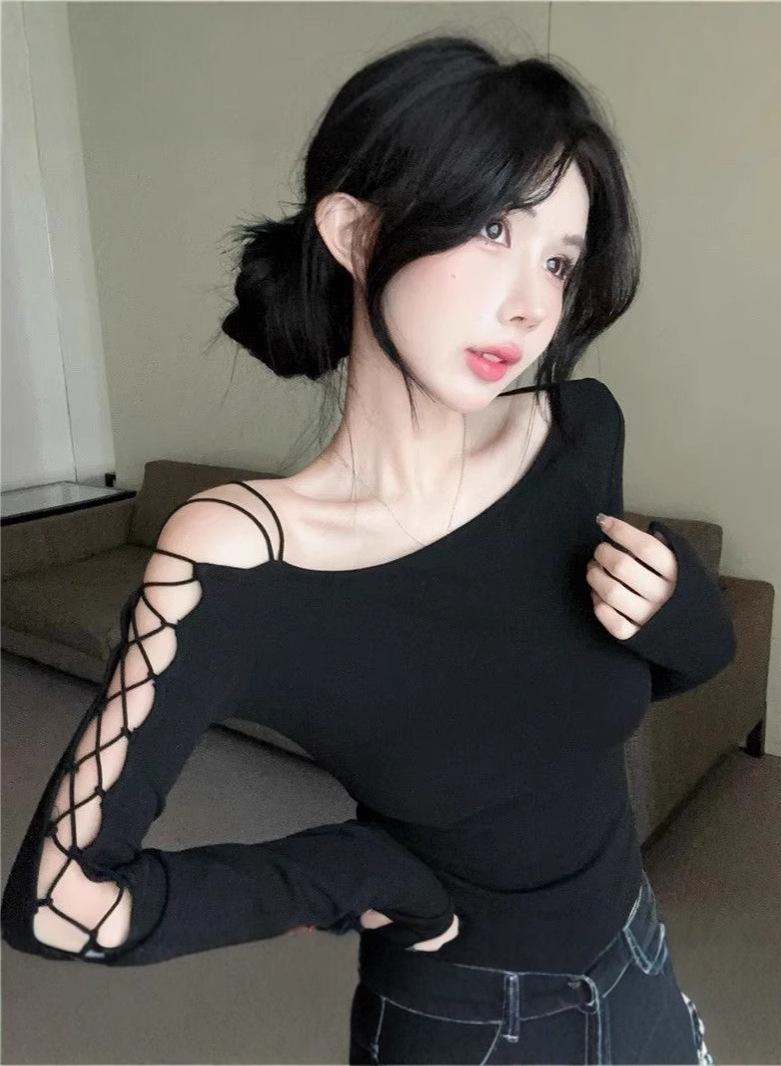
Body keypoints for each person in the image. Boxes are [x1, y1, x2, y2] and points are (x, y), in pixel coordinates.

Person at [1, 31, 733, 1065]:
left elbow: (672, 669)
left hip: (640, 963)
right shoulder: (242, 554)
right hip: (469, 1026)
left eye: (558, 260)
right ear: (354, 231)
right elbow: (60, 901)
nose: (531, 303)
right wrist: (350, 875)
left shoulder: (577, 434)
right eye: (492, 227)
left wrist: (675, 602)